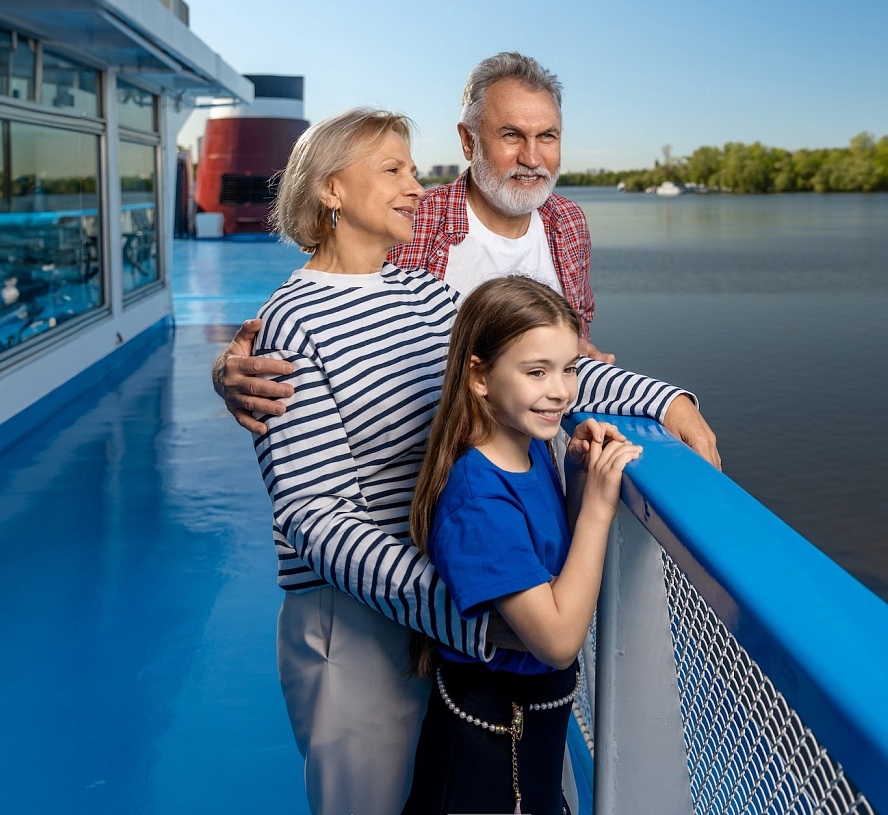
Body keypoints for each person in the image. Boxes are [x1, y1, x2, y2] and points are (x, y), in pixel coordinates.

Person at [250, 107, 708, 815]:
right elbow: (315, 519)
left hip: (452, 602)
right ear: (331, 190)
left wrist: (667, 401)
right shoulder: (291, 321)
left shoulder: (423, 294)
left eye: (413, 169)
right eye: (393, 170)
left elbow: (524, 365)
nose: (416, 186)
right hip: (364, 617)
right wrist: (467, 611)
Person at [400, 277, 639, 814]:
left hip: (528, 735)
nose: (561, 391)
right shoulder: (478, 496)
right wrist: (599, 508)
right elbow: (557, 641)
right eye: (537, 372)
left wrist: (579, 480)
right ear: (479, 377)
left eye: (569, 369)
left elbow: (552, 564)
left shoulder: (531, 455)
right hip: (485, 747)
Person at [386, 51, 609, 362]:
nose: (532, 159)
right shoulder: (411, 218)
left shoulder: (569, 221)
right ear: (468, 141)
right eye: (512, 135)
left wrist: (578, 353)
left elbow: (578, 333)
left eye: (547, 136)